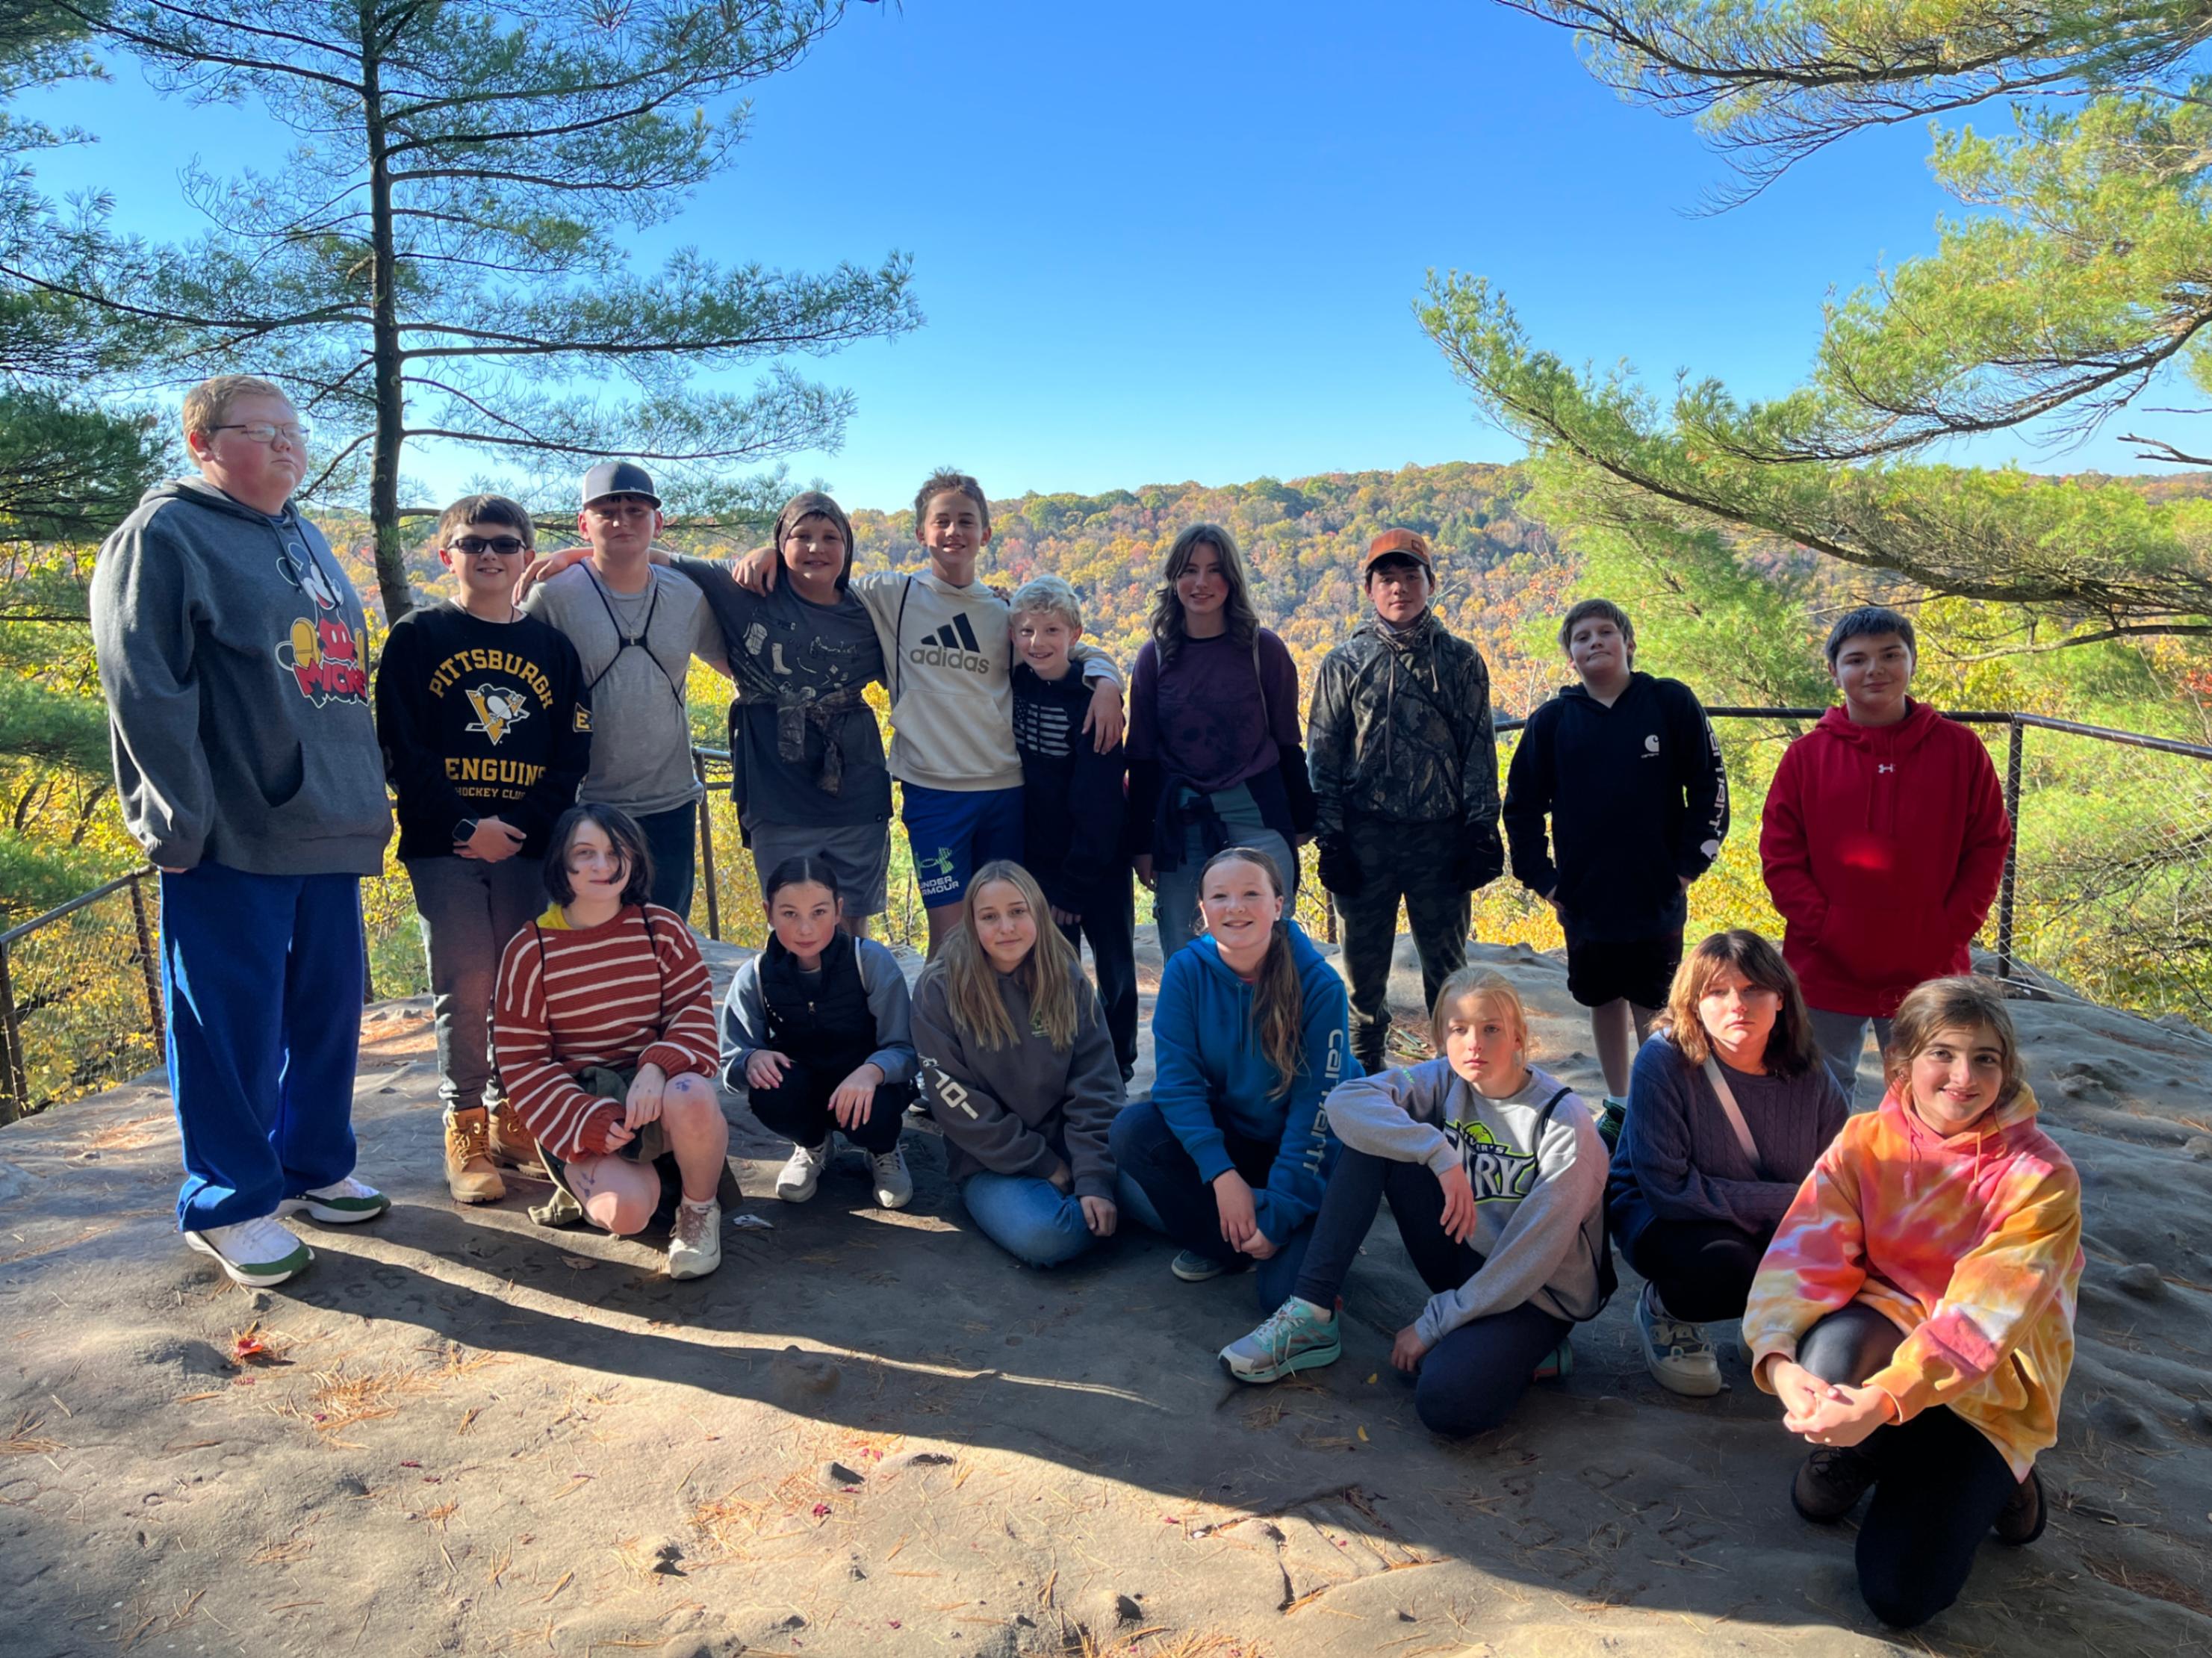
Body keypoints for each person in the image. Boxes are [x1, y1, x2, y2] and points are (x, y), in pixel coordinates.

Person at [90, 374, 392, 1288]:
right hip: (232, 834)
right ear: (202, 443)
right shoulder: (166, 534)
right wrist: (174, 825)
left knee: (329, 1009)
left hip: (329, 825)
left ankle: (310, 1164)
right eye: (259, 431)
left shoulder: (301, 535)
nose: (286, 446)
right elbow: (144, 686)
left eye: (293, 431)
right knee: (232, 1025)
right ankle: (228, 1202)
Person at [1744, 976, 2081, 1629]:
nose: (1964, 1076)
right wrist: (1781, 1363)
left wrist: (1884, 1399)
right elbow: (1801, 1257)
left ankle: (2000, 1474)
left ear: (2007, 1068)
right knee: (1826, 1362)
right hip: (1890, 1329)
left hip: (1991, 1378)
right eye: (1943, 1054)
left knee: (1900, 1595)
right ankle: (1879, 1444)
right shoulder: (1865, 1139)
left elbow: (1984, 1318)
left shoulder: (2042, 1177)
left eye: (1986, 1058)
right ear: (1902, 1064)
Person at [731, 470, 1125, 955]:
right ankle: (946, 1030)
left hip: (1004, 790)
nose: (953, 531)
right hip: (933, 793)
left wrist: (1108, 679)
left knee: (1002, 932)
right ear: (921, 533)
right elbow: (819, 579)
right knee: (951, 935)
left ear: (986, 533)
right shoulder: (890, 595)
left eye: (966, 521)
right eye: (942, 521)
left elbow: (1061, 648)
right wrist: (770, 553)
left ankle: (999, 1030)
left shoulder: (1004, 613)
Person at [1220, 970, 1607, 1436]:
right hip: (1464, 1255)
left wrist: (1438, 1323)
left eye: (1491, 1029)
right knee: (1374, 1138)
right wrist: (1438, 1153)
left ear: (1520, 1036)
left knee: (1446, 1401)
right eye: (1458, 1029)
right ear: (1441, 1037)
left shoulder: (1566, 1123)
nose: (1473, 1044)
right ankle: (1312, 1312)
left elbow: (1531, 1257)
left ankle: (1531, 1354)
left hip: (1534, 1293)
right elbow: (1349, 1100)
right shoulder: (1446, 1078)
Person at [375, 494, 591, 1205]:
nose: (490, 555)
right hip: (446, 847)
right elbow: (403, 748)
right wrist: (470, 828)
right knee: (466, 984)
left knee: (523, 987)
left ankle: (511, 1115)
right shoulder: (418, 637)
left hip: (531, 847)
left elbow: (571, 753)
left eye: (505, 543)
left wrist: (521, 826)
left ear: (527, 556)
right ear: (448, 557)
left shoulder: (553, 650)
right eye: (473, 544)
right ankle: (463, 1122)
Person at [1761, 606, 2010, 1104]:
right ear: (1834, 672)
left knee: (1930, 1094)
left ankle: (1917, 1183)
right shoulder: (1806, 758)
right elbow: (1781, 856)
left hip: (1930, 966)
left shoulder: (1960, 750)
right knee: (1819, 1094)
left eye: (1890, 655)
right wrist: (1827, 927)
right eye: (1856, 660)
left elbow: (1988, 842)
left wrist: (1949, 926)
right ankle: (1835, 1182)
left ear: (1913, 662)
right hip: (1825, 965)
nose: (1874, 670)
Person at [1503, 597, 1729, 1143]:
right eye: (1582, 637)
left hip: (1656, 890)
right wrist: (1545, 880)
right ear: (1570, 656)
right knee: (1601, 998)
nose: (1595, 642)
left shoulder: (1668, 702)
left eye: (1607, 632)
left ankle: (1663, 1100)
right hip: (1586, 896)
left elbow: (1709, 783)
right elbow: (1521, 805)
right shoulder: (1554, 721)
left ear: (1629, 643)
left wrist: (1688, 865)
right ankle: (1622, 1102)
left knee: (1659, 1004)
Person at [491, 804, 729, 1279]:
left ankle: (699, 1210)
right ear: (562, 863)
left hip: (659, 1090)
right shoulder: (530, 949)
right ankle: (628, 1177)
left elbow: (694, 1010)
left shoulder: (660, 928)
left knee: (694, 1092)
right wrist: (587, 1118)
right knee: (628, 1214)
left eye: (615, 852)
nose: (603, 866)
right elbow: (522, 1063)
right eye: (586, 853)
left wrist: (656, 1068)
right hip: (579, 1104)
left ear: (635, 860)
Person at [1109, 848, 1354, 1306]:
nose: (1235, 906)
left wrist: (1278, 1215)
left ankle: (1280, 1224)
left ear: (1278, 904)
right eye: (1219, 896)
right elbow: (1177, 1086)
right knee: (1132, 1132)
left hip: (1310, 1153)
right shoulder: (1186, 971)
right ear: (1202, 908)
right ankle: (1234, 1241)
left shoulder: (1320, 986)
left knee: (1280, 1298)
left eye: (1250, 894)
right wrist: (1223, 1176)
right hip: (1239, 1139)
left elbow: (1317, 1115)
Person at [1608, 931, 1846, 1397]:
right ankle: (1666, 1310)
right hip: (1666, 1215)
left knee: (1842, 1258)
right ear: (1694, 1003)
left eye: (1753, 988)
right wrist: (1792, 1201)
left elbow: (1839, 1178)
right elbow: (1669, 1190)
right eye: (1717, 991)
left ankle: (1768, 1322)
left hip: (1768, 1216)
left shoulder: (1809, 1073)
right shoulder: (1664, 1060)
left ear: (1780, 998)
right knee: (1728, 1267)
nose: (1737, 1003)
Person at [1307, 528, 1503, 1072]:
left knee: (1448, 971)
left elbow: (1478, 749)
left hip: (1440, 839)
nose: (1399, 587)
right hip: (1365, 838)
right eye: (1386, 577)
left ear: (1430, 583)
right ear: (1369, 588)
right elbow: (1323, 755)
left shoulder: (1461, 661)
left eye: (1410, 575)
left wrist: (1482, 828)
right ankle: (1363, 1085)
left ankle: (1454, 1078)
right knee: (1362, 978)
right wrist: (1332, 837)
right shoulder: (1344, 662)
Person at [521, 462, 727, 920]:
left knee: (665, 935)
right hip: (584, 805)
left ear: (658, 521)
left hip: (671, 801)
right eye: (606, 511)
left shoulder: (686, 596)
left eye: (636, 509)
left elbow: (734, 667)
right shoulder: (552, 597)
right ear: (583, 523)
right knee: (588, 937)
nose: (622, 521)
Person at [913, 861, 1125, 1267]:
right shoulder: (939, 988)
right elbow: (956, 1102)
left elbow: (1096, 1082)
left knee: (1160, 1192)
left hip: (1073, 1142)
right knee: (1047, 1237)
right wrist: (1045, 1165)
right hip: (991, 1161)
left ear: (1037, 913)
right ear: (971, 923)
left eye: (1017, 912)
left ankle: (1107, 1209)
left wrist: (1094, 1176)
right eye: (989, 917)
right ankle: (1105, 1218)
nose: (1006, 927)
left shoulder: (1065, 977)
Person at [1128, 525, 1317, 957]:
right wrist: (1141, 844)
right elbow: (1140, 756)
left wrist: (1303, 821)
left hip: (1257, 816)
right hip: (1183, 824)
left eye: (1214, 571)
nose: (1201, 583)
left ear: (1231, 580)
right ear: (1174, 580)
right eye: (1190, 570)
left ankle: (1266, 1029)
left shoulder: (1263, 651)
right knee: (1185, 952)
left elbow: (1288, 740)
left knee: (1264, 952)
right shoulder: (1154, 657)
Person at [720, 856, 919, 1211]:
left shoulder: (870, 961)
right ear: (768, 912)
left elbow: (905, 1049)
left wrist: (872, 1071)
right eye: (789, 914)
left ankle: (883, 1150)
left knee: (876, 1107)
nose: (806, 929)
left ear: (839, 910)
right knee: (770, 1087)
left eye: (819, 912)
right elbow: (731, 1061)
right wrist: (752, 1058)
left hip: (867, 1089)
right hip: (805, 1088)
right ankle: (813, 1145)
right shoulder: (755, 975)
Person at [1010, 575, 1137, 1078]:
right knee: (1055, 971)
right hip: (1040, 859)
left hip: (1098, 862)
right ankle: (1064, 1060)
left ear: (1074, 633)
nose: (1037, 642)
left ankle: (1119, 1063)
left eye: (1050, 630)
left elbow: (1101, 802)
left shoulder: (1091, 700)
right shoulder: (1015, 680)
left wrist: (1077, 883)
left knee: (1115, 967)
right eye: (1025, 631)